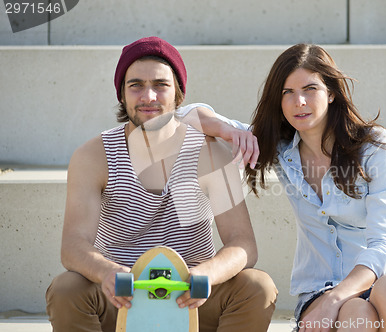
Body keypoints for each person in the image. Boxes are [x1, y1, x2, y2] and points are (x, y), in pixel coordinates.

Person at [180, 43, 386, 331]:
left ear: (332, 92)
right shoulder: (281, 149)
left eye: (310, 89)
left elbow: (384, 244)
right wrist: (229, 131)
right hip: (321, 287)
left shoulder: (375, 147)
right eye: (287, 92)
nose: (299, 101)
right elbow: (184, 116)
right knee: (355, 316)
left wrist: (334, 299)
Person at [45, 36, 277, 332]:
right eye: (136, 85)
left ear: (179, 95)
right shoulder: (94, 156)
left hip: (190, 298)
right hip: (121, 298)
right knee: (67, 289)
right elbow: (73, 247)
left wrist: (206, 274)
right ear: (122, 95)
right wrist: (107, 272)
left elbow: (243, 243)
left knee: (257, 286)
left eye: (161, 85)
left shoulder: (209, 153)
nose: (149, 96)